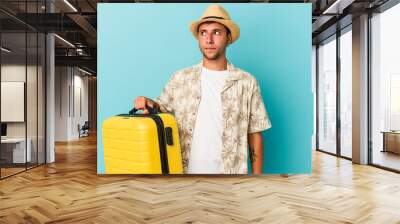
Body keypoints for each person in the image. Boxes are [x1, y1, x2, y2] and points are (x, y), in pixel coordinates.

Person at [133, 4, 271, 174]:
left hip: (230, 178)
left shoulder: (247, 82)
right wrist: (149, 102)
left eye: (217, 32)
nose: (209, 39)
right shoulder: (180, 78)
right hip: (184, 176)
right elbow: (161, 111)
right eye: (203, 32)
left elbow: (255, 134)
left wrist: (258, 180)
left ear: (228, 37)